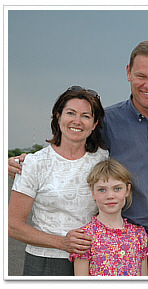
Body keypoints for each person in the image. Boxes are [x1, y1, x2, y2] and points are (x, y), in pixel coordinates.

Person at [9, 40, 148, 276]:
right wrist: (27, 160)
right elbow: (71, 143)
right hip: (118, 246)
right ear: (128, 73)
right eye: (141, 75)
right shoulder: (107, 122)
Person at [8, 86, 109, 276]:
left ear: (94, 124)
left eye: (86, 116)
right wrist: (62, 242)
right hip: (44, 262)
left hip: (94, 260)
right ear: (58, 116)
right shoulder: (34, 163)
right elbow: (12, 225)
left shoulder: (103, 161)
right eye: (70, 113)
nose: (77, 121)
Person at [69, 159, 148, 276]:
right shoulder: (84, 237)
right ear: (93, 193)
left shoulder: (139, 235)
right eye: (102, 190)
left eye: (117, 188)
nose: (110, 196)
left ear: (127, 190)